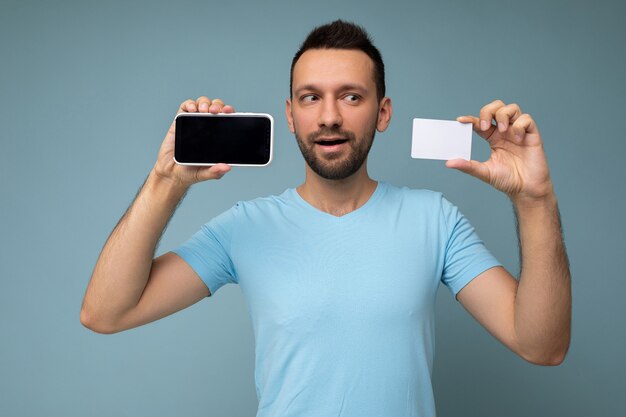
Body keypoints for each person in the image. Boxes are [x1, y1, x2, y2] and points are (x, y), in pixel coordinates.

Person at [81, 20, 571, 417]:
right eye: (311, 97)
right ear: (290, 115)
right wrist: (165, 181)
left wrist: (536, 198)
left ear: (383, 113)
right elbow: (106, 313)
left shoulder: (435, 220)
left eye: (351, 96)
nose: (330, 116)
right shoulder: (244, 227)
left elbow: (541, 345)